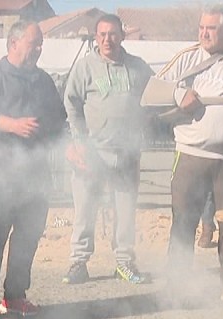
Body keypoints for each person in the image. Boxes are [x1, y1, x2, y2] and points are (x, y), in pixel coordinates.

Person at [157, 4, 223, 297]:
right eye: (202, 27)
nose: (204, 33)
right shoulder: (186, 58)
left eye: (212, 28)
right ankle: (177, 284)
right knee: (183, 221)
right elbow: (152, 90)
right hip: (190, 155)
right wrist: (180, 94)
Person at [0, 20, 66, 319]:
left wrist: (69, 147)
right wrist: (11, 124)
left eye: (40, 44)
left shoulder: (44, 81)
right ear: (13, 43)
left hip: (35, 174)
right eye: (34, 43)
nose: (39, 49)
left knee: (28, 235)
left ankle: (16, 296)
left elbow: (58, 121)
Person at [62, 14, 153, 286]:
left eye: (112, 34)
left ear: (122, 36)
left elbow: (154, 97)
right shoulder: (85, 67)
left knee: (125, 211)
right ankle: (79, 262)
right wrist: (79, 139)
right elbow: (71, 103)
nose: (107, 39)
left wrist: (143, 124)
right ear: (95, 37)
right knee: (85, 209)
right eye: (101, 34)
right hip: (92, 152)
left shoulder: (138, 68)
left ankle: (124, 262)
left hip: (126, 152)